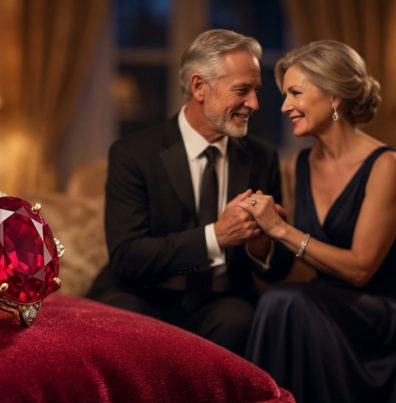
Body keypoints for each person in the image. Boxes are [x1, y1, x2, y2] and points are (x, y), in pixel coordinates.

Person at [239, 40, 396, 403]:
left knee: (286, 302)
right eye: (284, 94)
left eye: (295, 93)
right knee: (284, 300)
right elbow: (288, 263)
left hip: (389, 306)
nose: (284, 106)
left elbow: (361, 270)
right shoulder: (300, 164)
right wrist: (262, 243)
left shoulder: (386, 164)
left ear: (335, 96)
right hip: (325, 304)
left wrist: (282, 229)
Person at [88, 29, 294, 355]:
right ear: (199, 87)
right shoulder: (133, 153)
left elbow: (278, 268)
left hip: (222, 303)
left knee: (241, 319)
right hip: (142, 295)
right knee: (124, 320)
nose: (253, 103)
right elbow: (128, 258)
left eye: (256, 90)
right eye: (242, 90)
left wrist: (261, 244)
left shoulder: (262, 156)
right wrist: (217, 236)